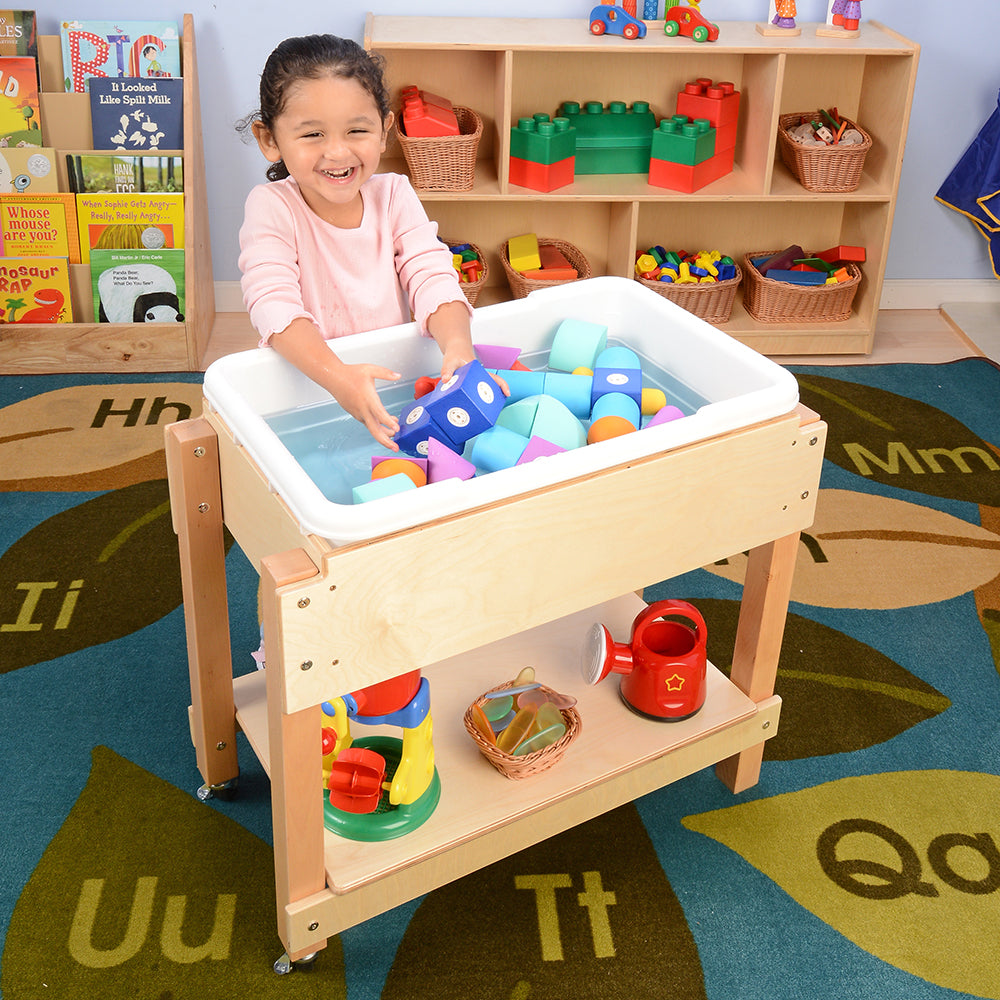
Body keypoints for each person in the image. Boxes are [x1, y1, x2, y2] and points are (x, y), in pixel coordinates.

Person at [237, 34, 494, 451]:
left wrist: (459, 349)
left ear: (385, 131)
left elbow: (432, 275)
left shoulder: (393, 194)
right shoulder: (271, 207)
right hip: (312, 381)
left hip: (391, 378)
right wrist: (340, 378)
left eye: (357, 130)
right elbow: (272, 304)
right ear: (270, 140)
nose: (337, 152)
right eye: (312, 135)